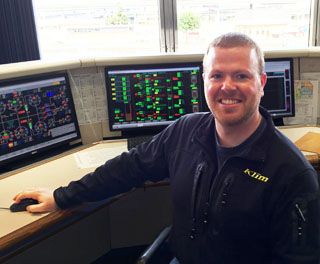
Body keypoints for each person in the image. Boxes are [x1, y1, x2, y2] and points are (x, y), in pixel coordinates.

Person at [13, 32, 320, 263]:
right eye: (216, 75)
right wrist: (60, 196)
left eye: (241, 76)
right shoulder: (186, 131)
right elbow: (127, 168)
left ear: (262, 83)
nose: (227, 86)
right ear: (203, 81)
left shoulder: (291, 174)